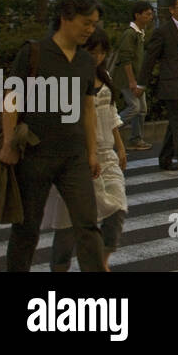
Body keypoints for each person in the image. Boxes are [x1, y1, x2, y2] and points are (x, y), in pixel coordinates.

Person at [0, 0, 107, 272]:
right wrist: (8, 143)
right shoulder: (33, 52)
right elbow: (11, 97)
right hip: (35, 154)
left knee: (87, 224)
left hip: (74, 156)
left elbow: (88, 109)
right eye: (86, 22)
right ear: (65, 18)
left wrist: (92, 152)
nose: (90, 29)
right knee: (26, 228)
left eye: (94, 24)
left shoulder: (85, 61)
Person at [45, 26, 129, 271]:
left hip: (107, 155)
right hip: (77, 158)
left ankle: (102, 262)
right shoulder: (68, 78)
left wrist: (121, 147)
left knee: (117, 209)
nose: (97, 57)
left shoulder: (105, 78)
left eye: (102, 52)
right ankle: (59, 267)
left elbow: (111, 114)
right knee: (68, 224)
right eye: (93, 51)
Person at [139, 0, 178, 174]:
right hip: (172, 83)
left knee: (177, 122)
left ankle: (165, 158)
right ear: (172, 10)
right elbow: (150, 58)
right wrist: (142, 84)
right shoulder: (163, 31)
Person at [113, 1, 153, 151]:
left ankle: (136, 139)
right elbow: (126, 58)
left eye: (151, 14)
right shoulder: (130, 34)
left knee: (142, 109)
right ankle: (110, 129)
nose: (151, 17)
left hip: (137, 78)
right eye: (147, 14)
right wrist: (131, 81)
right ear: (137, 15)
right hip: (127, 78)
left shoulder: (139, 33)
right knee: (134, 108)